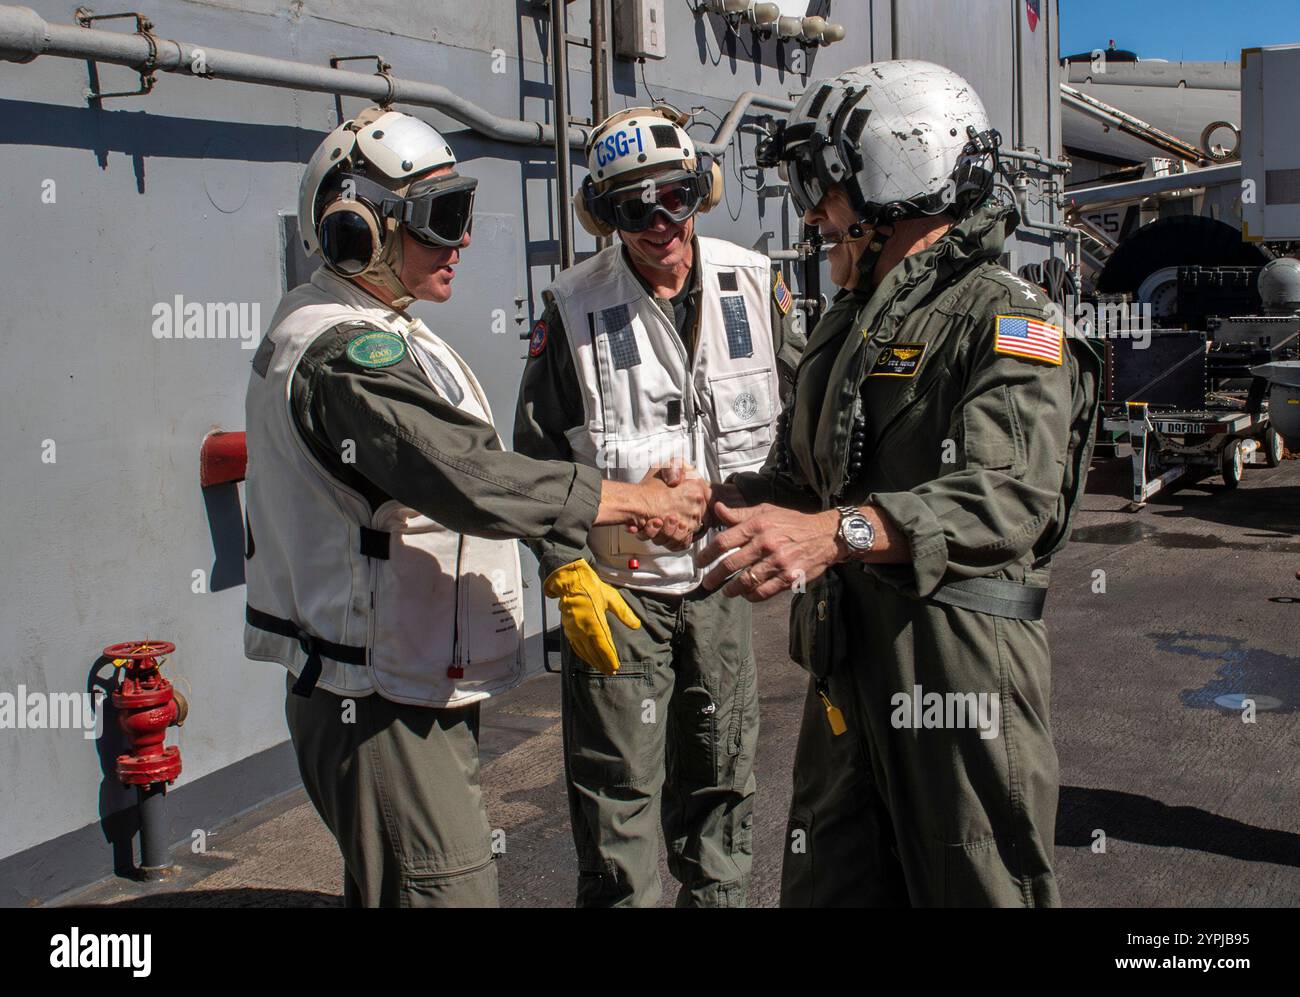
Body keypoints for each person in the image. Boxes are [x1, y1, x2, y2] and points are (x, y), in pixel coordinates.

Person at [242, 105, 707, 908]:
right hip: (375, 700)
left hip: (401, 683)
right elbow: (465, 474)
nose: (460, 241)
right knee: (446, 891)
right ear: (361, 230)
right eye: (440, 219)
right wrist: (626, 500)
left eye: (463, 213)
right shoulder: (346, 355)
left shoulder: (369, 326)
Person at [698, 62, 1102, 907]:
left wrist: (833, 535)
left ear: (891, 176)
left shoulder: (1010, 316)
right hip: (850, 668)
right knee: (828, 886)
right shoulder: (850, 317)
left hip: (958, 670)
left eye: (821, 181)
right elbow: (804, 479)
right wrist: (712, 502)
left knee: (979, 883)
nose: (811, 210)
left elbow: (1008, 498)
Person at [513, 105, 800, 907]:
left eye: (673, 197)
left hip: (718, 584)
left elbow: (807, 420)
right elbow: (535, 461)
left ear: (701, 191)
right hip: (619, 589)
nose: (658, 224)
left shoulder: (754, 281)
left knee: (722, 777)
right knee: (618, 799)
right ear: (604, 216)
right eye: (632, 209)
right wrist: (565, 567)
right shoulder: (572, 306)